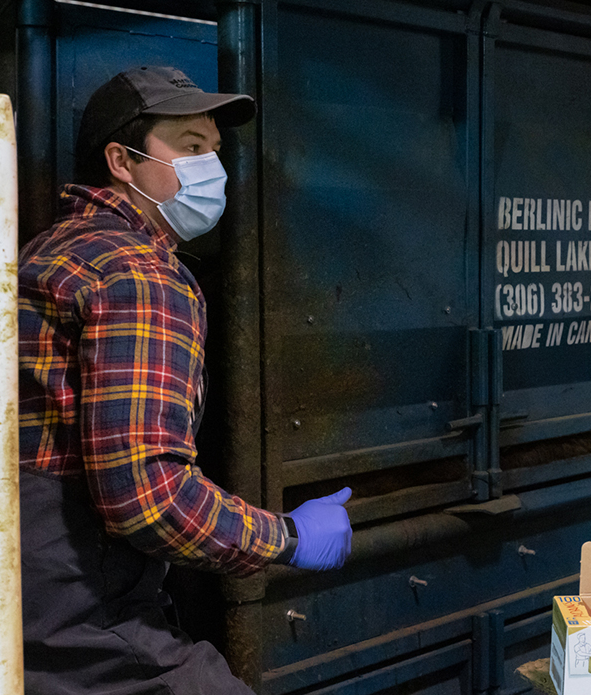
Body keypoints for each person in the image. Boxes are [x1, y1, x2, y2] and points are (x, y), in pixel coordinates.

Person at [18, 65, 351, 694]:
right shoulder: (140, 276)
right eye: (191, 147)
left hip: (27, 603)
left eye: (215, 152)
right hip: (82, 621)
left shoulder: (47, 250)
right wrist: (288, 538)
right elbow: (146, 496)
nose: (213, 171)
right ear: (122, 159)